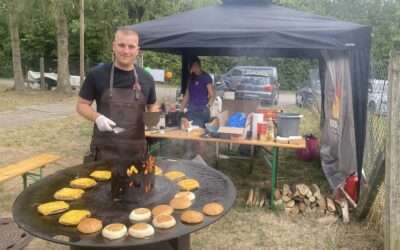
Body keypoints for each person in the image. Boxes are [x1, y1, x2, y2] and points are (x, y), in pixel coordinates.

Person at [77, 26, 157, 162]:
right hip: (104, 153)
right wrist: (97, 118)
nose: (126, 51)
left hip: (136, 155)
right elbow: (81, 105)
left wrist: (152, 121)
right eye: (121, 45)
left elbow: (152, 105)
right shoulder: (97, 74)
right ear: (114, 46)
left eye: (131, 47)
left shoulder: (147, 78)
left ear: (137, 50)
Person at [181, 56, 215, 128]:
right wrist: (181, 110)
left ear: (196, 65)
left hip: (202, 110)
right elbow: (187, 95)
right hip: (191, 110)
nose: (190, 69)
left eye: (191, 66)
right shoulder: (190, 78)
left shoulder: (206, 77)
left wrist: (208, 106)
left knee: (198, 131)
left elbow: (212, 95)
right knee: (188, 129)